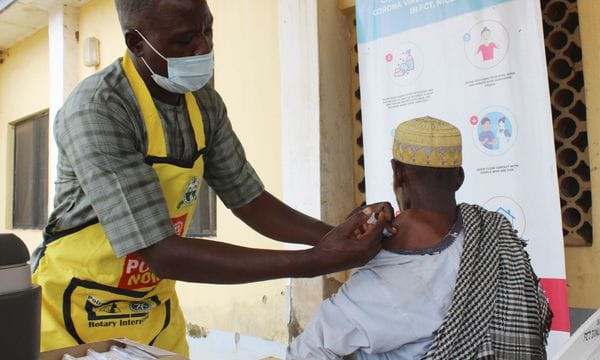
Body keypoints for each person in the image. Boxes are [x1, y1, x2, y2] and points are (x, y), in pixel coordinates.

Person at [31, 0, 392, 356]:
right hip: (76, 314)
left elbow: (251, 203)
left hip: (153, 314)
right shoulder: (99, 109)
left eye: (207, 28)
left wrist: (337, 235)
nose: (203, 46)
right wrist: (318, 261)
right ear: (136, 42)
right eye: (185, 38)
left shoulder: (203, 103)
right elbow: (163, 252)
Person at [287, 117, 552, 360]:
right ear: (459, 178)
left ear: (398, 172)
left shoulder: (388, 276)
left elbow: (309, 351)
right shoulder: (492, 231)